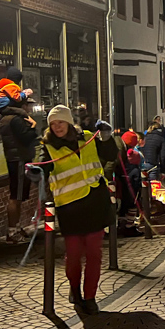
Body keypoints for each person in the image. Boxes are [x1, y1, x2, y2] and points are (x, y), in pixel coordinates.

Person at [38, 106, 118, 314]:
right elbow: (42, 166)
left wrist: (107, 136)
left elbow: (110, 154)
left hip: (95, 203)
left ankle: (90, 297)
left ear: (69, 122)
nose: (57, 127)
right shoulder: (48, 147)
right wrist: (36, 171)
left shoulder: (88, 137)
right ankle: (75, 289)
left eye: (60, 122)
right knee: (73, 256)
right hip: (70, 208)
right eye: (53, 124)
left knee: (94, 253)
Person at [0, 68, 39, 244]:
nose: (28, 107)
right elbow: (27, 137)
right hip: (18, 159)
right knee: (16, 195)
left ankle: (15, 227)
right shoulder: (15, 119)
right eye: (27, 104)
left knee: (18, 195)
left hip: (16, 158)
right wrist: (34, 127)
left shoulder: (8, 117)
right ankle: (12, 232)